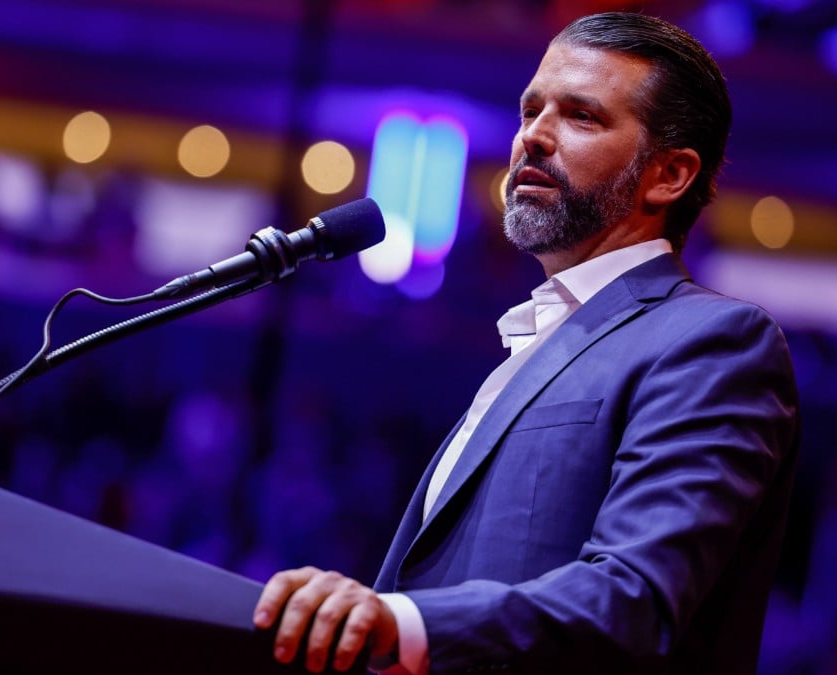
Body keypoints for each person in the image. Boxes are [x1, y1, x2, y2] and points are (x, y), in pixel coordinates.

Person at [253, 11, 800, 675]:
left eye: (582, 117)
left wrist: (398, 619)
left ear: (669, 175)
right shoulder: (544, 336)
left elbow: (634, 596)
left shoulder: (711, 340)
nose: (532, 137)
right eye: (530, 109)